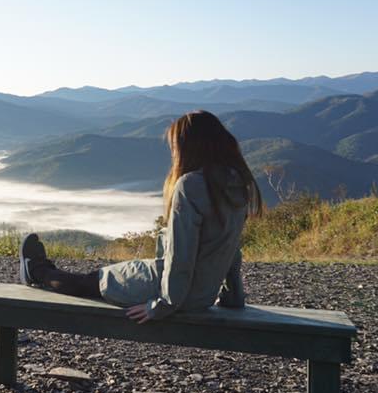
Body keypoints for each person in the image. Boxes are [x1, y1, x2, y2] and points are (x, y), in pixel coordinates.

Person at [18, 110, 262, 324]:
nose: (174, 152)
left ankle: (37, 271)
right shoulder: (238, 184)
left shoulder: (192, 185)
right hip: (202, 295)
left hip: (171, 292)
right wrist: (233, 295)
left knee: (92, 281)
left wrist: (162, 305)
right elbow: (231, 248)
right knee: (100, 278)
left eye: (175, 146)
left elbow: (181, 255)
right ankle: (40, 271)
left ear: (191, 147)